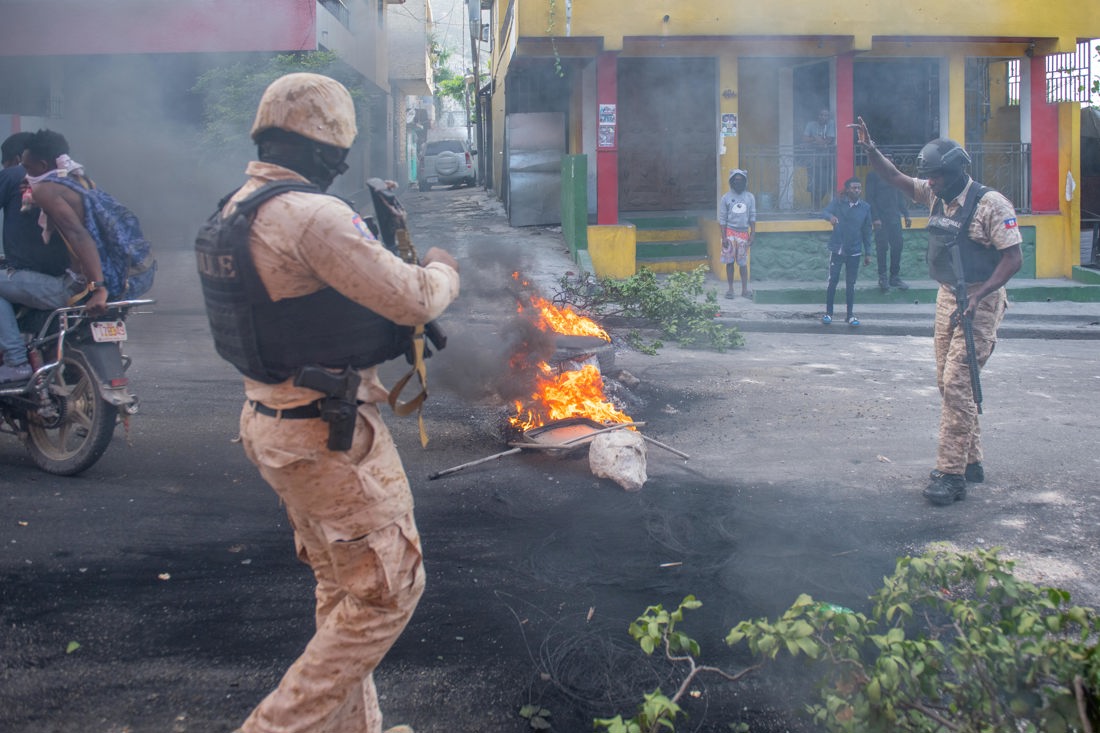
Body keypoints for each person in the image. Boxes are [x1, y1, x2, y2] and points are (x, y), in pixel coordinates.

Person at [208, 73, 460, 733]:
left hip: (275, 425)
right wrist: (442, 268)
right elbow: (413, 297)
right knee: (389, 591)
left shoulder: (239, 206)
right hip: (327, 438)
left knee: (345, 586)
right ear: (327, 151)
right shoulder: (309, 214)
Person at [851, 116, 1023, 506]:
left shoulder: (991, 205)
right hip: (948, 295)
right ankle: (972, 460)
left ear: (957, 171)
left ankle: (950, 474)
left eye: (937, 177)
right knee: (947, 382)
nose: (930, 183)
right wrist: (871, 149)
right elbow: (896, 178)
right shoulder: (937, 195)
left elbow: (1013, 259)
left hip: (981, 299)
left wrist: (981, 296)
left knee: (959, 384)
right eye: (928, 178)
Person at [0, 130, 107, 383]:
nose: (23, 176)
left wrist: (98, 288)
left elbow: (79, 236)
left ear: (41, 164)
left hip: (70, 285)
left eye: (27, 168)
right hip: (80, 279)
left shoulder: (45, 189)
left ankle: (16, 361)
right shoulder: (80, 182)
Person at [821, 177, 872, 327]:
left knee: (851, 284)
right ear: (848, 189)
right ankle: (828, 313)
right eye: (854, 188)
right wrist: (830, 217)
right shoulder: (838, 203)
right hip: (837, 249)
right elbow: (824, 212)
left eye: (859, 188)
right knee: (833, 281)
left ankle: (850, 316)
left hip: (854, 251)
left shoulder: (865, 208)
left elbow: (867, 231)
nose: (857, 190)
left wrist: (868, 253)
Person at [866, 153, 912, 291]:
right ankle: (883, 277)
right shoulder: (873, 176)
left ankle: (894, 277)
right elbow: (870, 198)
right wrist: (875, 218)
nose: (889, 161)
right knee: (882, 248)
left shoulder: (894, 176)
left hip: (894, 218)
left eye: (891, 159)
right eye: (886, 158)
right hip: (881, 219)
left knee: (897, 246)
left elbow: (899, 197)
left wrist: (906, 214)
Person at [718, 168, 756, 299]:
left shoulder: (750, 197)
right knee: (730, 263)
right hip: (729, 233)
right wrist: (724, 237)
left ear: (745, 182)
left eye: (741, 180)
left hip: (743, 234)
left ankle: (745, 290)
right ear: (732, 182)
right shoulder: (726, 198)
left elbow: (752, 217)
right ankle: (730, 290)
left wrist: (753, 234)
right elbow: (722, 219)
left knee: (743, 263)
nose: (738, 183)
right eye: (736, 180)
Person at [802, 107, 836, 208]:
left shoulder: (830, 124)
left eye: (826, 115)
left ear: (828, 117)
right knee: (813, 186)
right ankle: (814, 208)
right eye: (821, 115)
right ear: (818, 116)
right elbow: (804, 138)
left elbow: (829, 140)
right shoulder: (811, 124)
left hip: (826, 161)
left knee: (824, 186)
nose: (823, 117)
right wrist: (816, 138)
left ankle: (816, 206)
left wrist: (816, 140)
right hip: (812, 160)